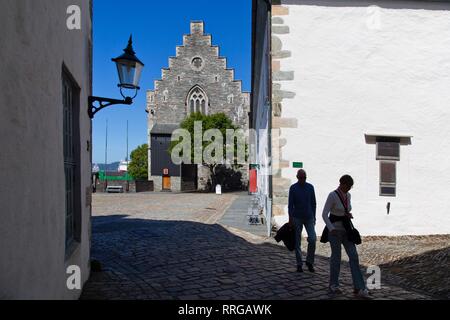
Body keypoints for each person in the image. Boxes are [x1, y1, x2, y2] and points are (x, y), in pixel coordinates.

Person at [322, 175, 370, 298]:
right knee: (336, 257)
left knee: (354, 255)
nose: (349, 189)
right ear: (342, 184)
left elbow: (345, 209)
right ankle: (334, 285)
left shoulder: (348, 196)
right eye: (347, 186)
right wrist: (331, 229)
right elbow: (324, 214)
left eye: (350, 187)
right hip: (335, 231)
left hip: (346, 230)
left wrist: (348, 214)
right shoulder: (332, 195)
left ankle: (359, 287)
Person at [288, 169, 317, 273]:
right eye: (301, 177)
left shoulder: (310, 187)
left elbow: (314, 203)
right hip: (297, 217)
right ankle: (299, 264)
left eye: (304, 177)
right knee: (297, 242)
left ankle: (309, 261)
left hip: (309, 217)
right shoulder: (293, 188)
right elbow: (290, 205)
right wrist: (290, 218)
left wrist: (314, 217)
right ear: (297, 177)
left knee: (313, 239)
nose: (303, 179)